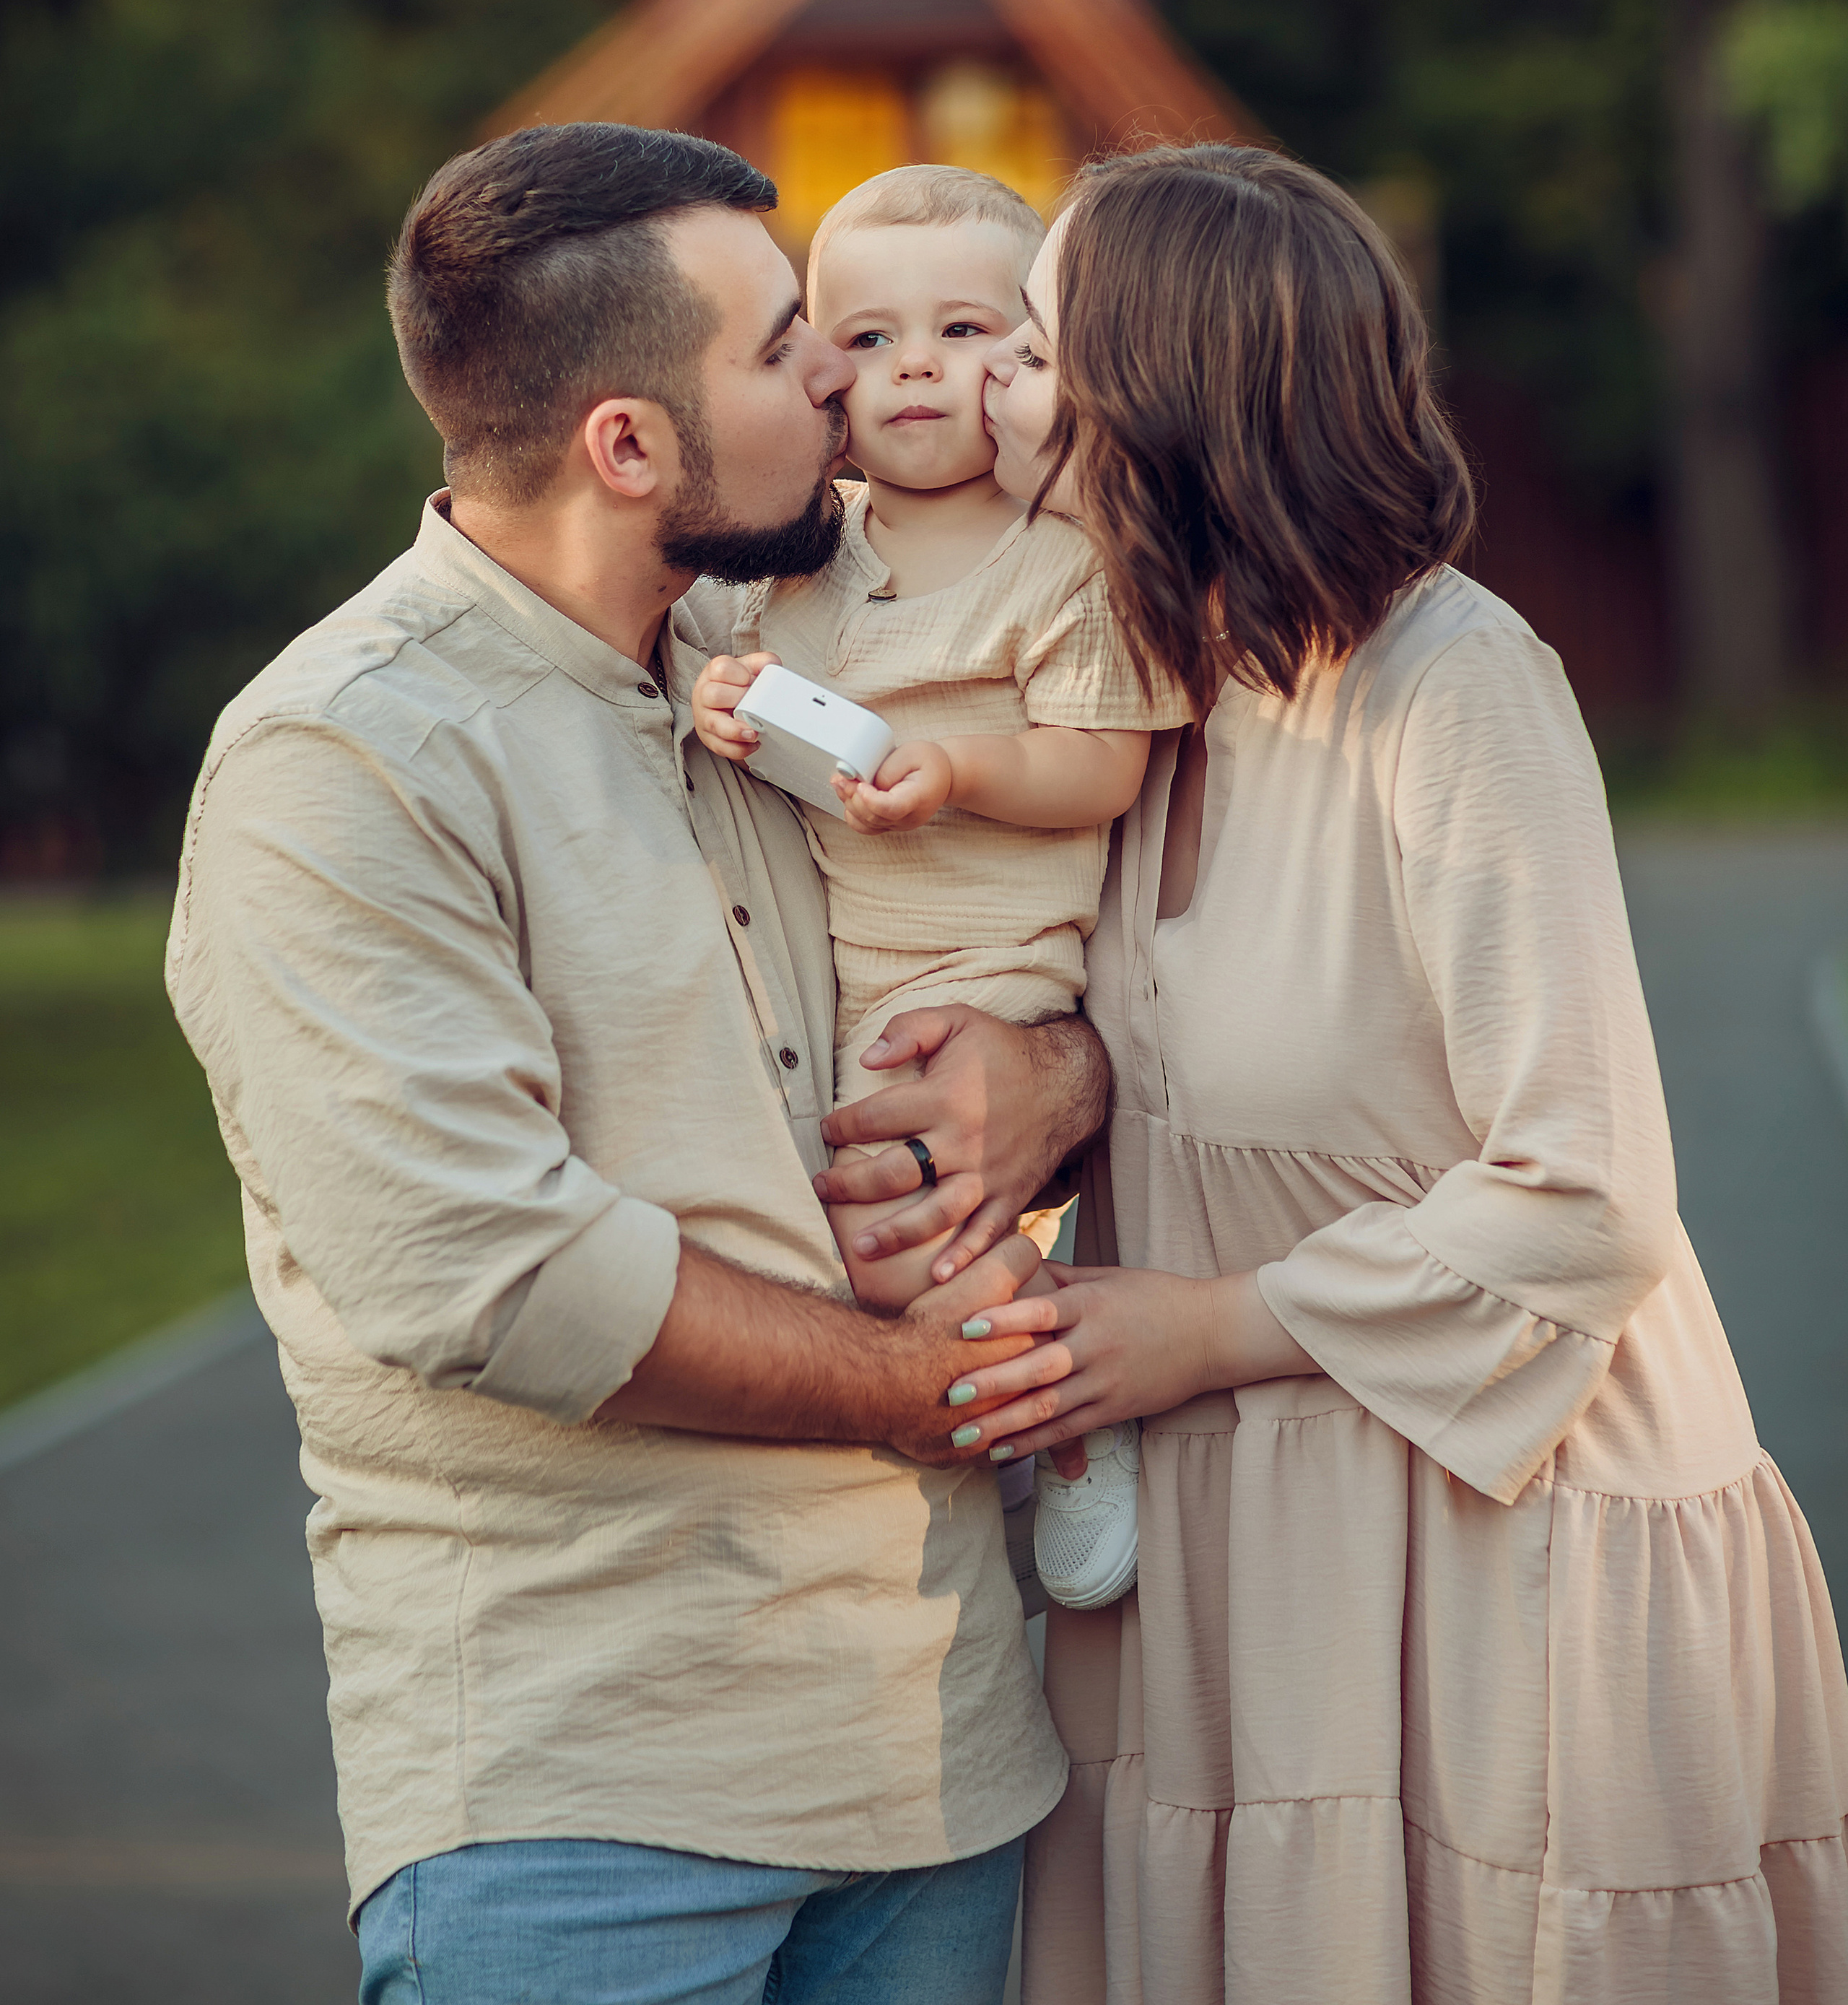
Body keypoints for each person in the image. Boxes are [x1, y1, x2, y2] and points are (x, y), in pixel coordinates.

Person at [824, 144, 1848, 2003]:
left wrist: (1203, 1329)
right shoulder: (1141, 697)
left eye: (1034, 352)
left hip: (1497, 1527)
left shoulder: (1453, 691)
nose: (982, 391)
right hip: (1232, 1556)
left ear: (1164, 402)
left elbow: (1586, 1191)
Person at [165, 121, 1104, 2005]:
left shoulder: (792, 664)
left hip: (939, 1766)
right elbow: (486, 1272)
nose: (844, 376)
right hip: (582, 1806)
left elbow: (1053, 925)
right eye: (782, 348)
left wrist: (1053, 1072)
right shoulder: (343, 762)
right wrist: (919, 1382)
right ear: (627, 444)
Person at [690, 163, 1186, 1612]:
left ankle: (1076, 1408)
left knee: (903, 1234)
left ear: (1037, 365)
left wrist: (957, 770)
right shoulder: (797, 562)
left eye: (968, 331)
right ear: (817, 373)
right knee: (858, 1238)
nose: (915, 364)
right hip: (851, 973)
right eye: (865, 336)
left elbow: (1100, 765)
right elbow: (726, 687)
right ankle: (1018, 1378)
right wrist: (730, 704)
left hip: (993, 969)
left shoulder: (1061, 564)